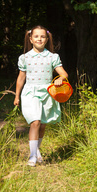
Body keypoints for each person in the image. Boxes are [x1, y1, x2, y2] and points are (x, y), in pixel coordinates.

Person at [14, 25, 69, 167]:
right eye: (36, 36)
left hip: (47, 93)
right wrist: (17, 96)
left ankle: (36, 149)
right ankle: (32, 156)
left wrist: (60, 79)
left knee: (43, 124)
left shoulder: (52, 57)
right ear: (31, 39)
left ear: (46, 39)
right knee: (35, 122)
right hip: (30, 92)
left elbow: (64, 73)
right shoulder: (24, 57)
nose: (39, 39)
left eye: (42, 36)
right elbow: (21, 78)